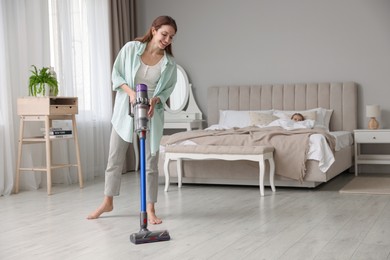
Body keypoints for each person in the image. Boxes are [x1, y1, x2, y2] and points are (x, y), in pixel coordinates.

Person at [87, 16, 178, 224]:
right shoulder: (131, 49)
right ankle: (107, 202)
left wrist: (156, 100)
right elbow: (116, 75)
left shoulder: (170, 63)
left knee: (151, 162)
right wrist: (130, 93)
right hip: (126, 109)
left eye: (171, 37)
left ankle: (151, 209)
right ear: (154, 30)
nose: (167, 39)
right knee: (115, 157)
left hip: (151, 113)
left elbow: (168, 89)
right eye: (164, 34)